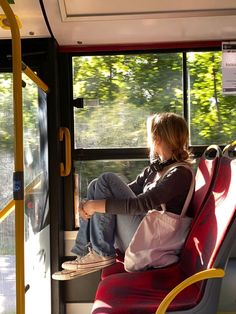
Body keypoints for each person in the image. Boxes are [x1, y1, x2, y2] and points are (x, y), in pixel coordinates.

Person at [52, 112, 194, 280]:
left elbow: (140, 204)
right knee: (96, 185)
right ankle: (85, 253)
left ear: (157, 138)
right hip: (140, 236)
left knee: (106, 179)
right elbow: (119, 192)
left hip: (150, 244)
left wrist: (93, 206)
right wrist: (88, 203)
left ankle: (101, 253)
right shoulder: (154, 169)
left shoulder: (180, 174)